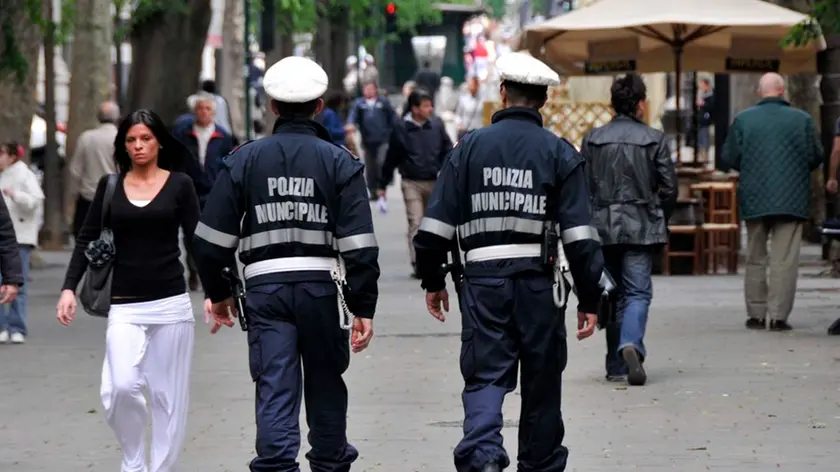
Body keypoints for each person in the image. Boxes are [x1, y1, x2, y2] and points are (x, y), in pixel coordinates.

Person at [413, 51, 605, 472]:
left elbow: (431, 233)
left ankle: (482, 457)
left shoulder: (467, 151)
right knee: (541, 380)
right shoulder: (559, 153)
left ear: (502, 94)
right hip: (540, 287)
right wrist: (590, 299)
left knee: (485, 376)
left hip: (482, 285)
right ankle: (539, 463)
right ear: (544, 100)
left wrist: (433, 282)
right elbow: (581, 238)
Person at [191, 55, 380, 472]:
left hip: (265, 293)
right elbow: (361, 247)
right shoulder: (340, 163)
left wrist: (220, 294)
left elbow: (208, 243)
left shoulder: (244, 160)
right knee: (326, 385)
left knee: (275, 386)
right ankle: (330, 464)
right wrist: (363, 306)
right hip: (324, 292)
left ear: (272, 107)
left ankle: (277, 465)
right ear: (319, 107)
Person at [56, 109, 202, 472]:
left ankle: (160, 469)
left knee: (167, 399)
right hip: (124, 305)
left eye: (145, 139)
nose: (138, 146)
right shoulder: (109, 186)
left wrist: (217, 293)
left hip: (171, 303)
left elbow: (196, 242)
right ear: (123, 145)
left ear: (158, 142)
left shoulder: (180, 184)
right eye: (131, 140)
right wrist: (68, 289)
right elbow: (86, 239)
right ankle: (134, 461)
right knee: (120, 387)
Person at [580, 74, 677, 385]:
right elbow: (669, 187)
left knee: (609, 292)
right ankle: (630, 343)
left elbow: (582, 185)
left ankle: (615, 364)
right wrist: (660, 215)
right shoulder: (654, 138)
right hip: (641, 225)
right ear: (640, 104)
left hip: (602, 225)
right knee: (636, 292)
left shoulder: (593, 139)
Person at [721, 73, 823, 332]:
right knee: (784, 259)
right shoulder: (803, 120)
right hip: (792, 199)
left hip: (755, 197)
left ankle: (755, 313)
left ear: (759, 91)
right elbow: (815, 156)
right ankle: (778, 316)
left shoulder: (744, 119)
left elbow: (729, 156)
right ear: (783, 90)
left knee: (755, 257)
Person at [379, 88, 453, 278]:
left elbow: (448, 149)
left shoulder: (436, 125)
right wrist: (382, 184)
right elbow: (391, 157)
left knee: (435, 224)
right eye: (425, 105)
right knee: (416, 222)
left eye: (430, 105)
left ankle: (436, 261)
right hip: (411, 182)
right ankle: (419, 263)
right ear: (415, 108)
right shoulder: (401, 128)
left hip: (434, 181)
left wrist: (447, 171)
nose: (430, 109)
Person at [0, 142, 45, 344]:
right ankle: (2, 325)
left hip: (19, 236)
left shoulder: (24, 174)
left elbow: (36, 200)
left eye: (1, 154)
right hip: (6, 234)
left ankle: (17, 326)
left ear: (11, 156)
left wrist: (15, 195)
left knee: (17, 282)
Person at [66, 101, 119, 239]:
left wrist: (74, 193)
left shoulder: (87, 138)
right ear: (117, 117)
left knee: (86, 240)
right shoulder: (123, 139)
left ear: (98, 117)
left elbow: (75, 170)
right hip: (116, 197)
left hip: (89, 197)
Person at [345, 81, 397, 198]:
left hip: (383, 139)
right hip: (367, 141)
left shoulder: (383, 102)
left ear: (375, 90)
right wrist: (350, 125)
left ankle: (381, 187)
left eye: (370, 89)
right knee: (370, 166)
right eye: (366, 89)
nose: (368, 91)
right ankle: (372, 190)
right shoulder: (359, 104)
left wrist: (394, 131)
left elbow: (393, 118)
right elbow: (352, 117)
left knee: (381, 162)